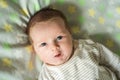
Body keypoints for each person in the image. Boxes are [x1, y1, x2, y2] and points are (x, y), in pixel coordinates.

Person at [26, 7, 120, 80]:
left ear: (69, 33)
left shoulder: (86, 48)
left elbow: (113, 61)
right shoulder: (47, 76)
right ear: (35, 50)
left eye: (59, 38)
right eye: (43, 44)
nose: (54, 47)